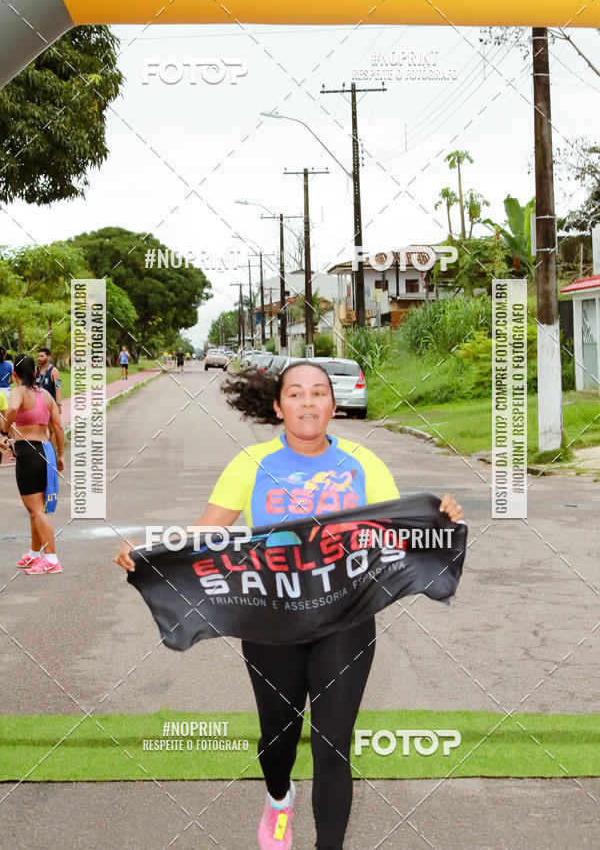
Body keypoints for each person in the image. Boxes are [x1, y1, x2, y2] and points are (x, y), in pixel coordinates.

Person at [114, 362, 463, 850]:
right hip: (270, 618)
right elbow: (207, 533)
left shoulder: (362, 461)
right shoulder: (251, 463)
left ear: (332, 405)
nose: (308, 402)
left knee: (333, 743)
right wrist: (153, 553)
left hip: (345, 615)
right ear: (279, 407)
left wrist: (438, 517)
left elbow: (397, 523)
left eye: (318, 393)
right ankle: (279, 797)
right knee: (279, 739)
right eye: (296, 394)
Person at [1, 354, 65, 574]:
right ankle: (35, 554)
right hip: (45, 451)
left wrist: (3, 431)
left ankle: (52, 559)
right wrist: (61, 455)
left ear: (14, 374)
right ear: (36, 373)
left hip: (27, 453)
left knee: (37, 510)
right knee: (35, 509)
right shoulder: (46, 395)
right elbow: (58, 427)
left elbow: (11, 411)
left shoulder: (18, 392)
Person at [35, 349, 62, 413]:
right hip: (38, 404)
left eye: (41, 356)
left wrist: (58, 404)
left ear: (48, 357)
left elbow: (58, 388)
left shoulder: (54, 371)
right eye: (38, 356)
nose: (39, 358)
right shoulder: (36, 370)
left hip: (50, 404)